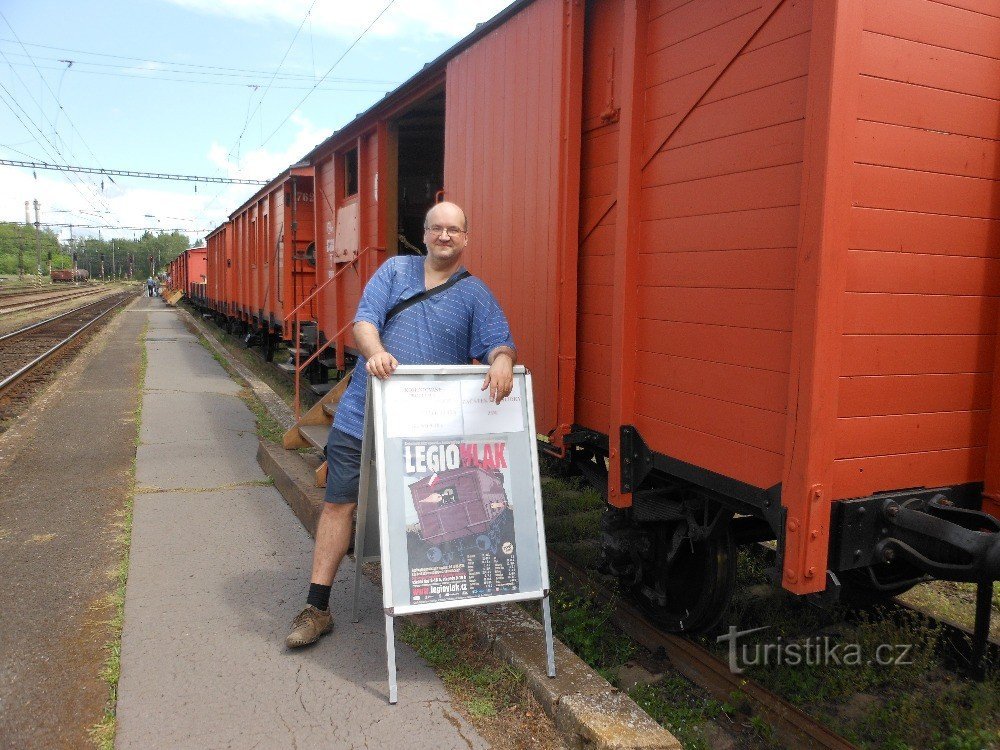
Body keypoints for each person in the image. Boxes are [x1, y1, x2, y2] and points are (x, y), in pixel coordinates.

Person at [285, 201, 516, 648]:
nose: (444, 236)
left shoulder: (476, 295)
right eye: (436, 228)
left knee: (423, 508)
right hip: (362, 415)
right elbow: (365, 322)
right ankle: (317, 607)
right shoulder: (394, 271)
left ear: (465, 238)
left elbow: (497, 341)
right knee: (339, 504)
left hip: (425, 431)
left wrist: (503, 361)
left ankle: (418, 598)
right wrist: (374, 352)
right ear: (424, 233)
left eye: (453, 230)